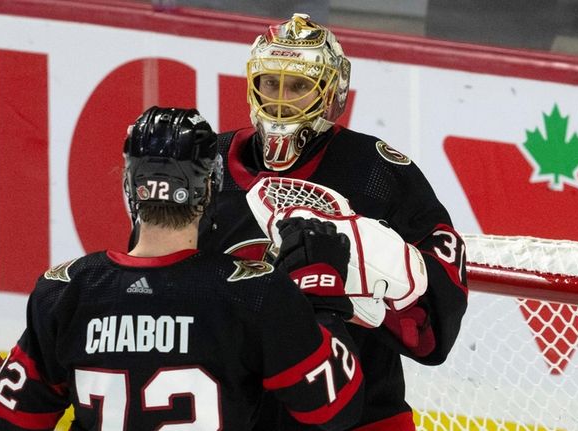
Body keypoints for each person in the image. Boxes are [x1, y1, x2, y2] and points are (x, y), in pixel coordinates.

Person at [0, 106, 367, 430]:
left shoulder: (67, 290)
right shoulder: (253, 292)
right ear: (210, 189)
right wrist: (322, 293)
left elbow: (12, 419)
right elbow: (334, 409)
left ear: (130, 187)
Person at [197, 13, 469, 430]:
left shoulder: (378, 174)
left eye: (299, 85)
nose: (281, 99)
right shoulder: (206, 165)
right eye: (271, 82)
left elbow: (436, 329)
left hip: (359, 416)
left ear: (331, 94)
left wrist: (374, 304)